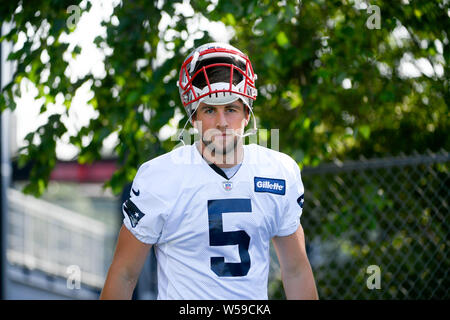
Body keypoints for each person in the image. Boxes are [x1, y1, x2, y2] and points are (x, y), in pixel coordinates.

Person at [100, 42, 318, 300]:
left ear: (247, 113)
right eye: (210, 110)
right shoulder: (160, 177)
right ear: (193, 117)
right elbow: (125, 273)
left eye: (231, 109)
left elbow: (295, 270)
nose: (222, 122)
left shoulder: (279, 172)